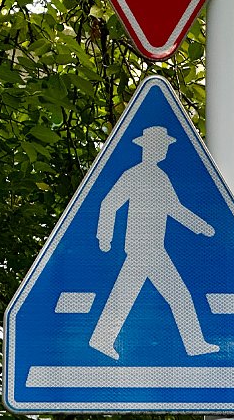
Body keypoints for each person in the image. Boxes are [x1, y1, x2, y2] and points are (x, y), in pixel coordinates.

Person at [89, 126, 218, 360]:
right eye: (161, 145)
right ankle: (195, 345)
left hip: (152, 248)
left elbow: (174, 209)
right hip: (143, 248)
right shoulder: (134, 174)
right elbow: (108, 203)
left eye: (165, 146)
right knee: (177, 295)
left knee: (129, 295)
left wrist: (201, 226)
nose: (165, 150)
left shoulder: (161, 177)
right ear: (148, 147)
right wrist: (104, 237)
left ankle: (101, 340)